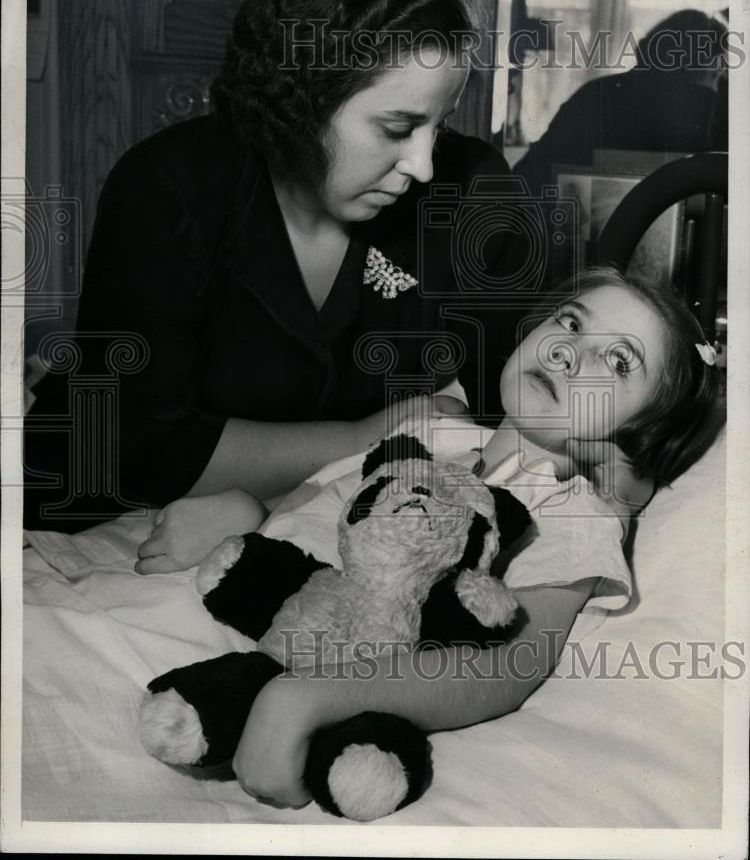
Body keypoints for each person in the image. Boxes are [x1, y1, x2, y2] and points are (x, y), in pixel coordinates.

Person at [135, 265, 725, 809]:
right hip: (200, 613)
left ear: (632, 439)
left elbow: (509, 667)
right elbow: (323, 514)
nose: (570, 352)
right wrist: (247, 510)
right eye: (570, 322)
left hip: (263, 674)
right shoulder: (430, 433)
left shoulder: (570, 514)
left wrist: (306, 697)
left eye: (619, 363)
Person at [24, 0, 532, 533]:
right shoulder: (167, 187)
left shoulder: (471, 192)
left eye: (438, 126)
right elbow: (144, 450)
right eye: (397, 127)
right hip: (100, 516)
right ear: (301, 99)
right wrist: (371, 436)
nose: (422, 165)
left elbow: (524, 412)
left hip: (328, 522)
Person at [514, 9, 729, 200]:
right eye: (718, 72)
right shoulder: (713, 108)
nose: (722, 80)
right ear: (709, 70)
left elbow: (528, 177)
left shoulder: (597, 95)